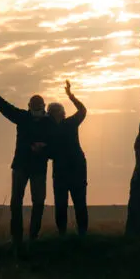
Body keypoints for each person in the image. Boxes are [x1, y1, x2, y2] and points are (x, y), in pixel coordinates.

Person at [0, 76, 52, 245]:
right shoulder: (24, 117)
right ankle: (18, 238)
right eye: (34, 108)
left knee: (37, 202)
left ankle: (32, 236)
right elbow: (4, 107)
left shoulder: (45, 122)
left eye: (38, 108)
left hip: (35, 168)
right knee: (17, 202)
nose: (36, 111)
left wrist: (44, 148)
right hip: (22, 166)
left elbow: (55, 142)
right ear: (30, 107)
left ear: (43, 107)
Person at [47, 80, 89, 237]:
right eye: (53, 112)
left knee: (79, 202)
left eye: (58, 111)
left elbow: (83, 110)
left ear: (63, 113)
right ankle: (63, 234)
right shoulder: (50, 130)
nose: (56, 114)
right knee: (61, 203)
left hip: (76, 168)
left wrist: (71, 96)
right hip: (62, 170)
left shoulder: (70, 123)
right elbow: (49, 152)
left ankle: (82, 233)